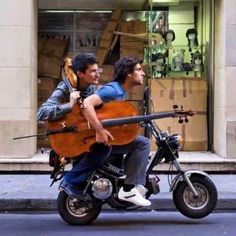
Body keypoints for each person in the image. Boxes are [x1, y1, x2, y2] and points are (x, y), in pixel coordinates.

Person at [81, 57, 151, 207]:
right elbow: (86, 104)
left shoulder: (121, 92)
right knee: (143, 144)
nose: (143, 73)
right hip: (99, 140)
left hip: (109, 138)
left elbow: (109, 116)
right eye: (139, 70)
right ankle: (129, 188)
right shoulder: (113, 90)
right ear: (128, 74)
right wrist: (99, 130)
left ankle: (126, 180)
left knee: (137, 143)